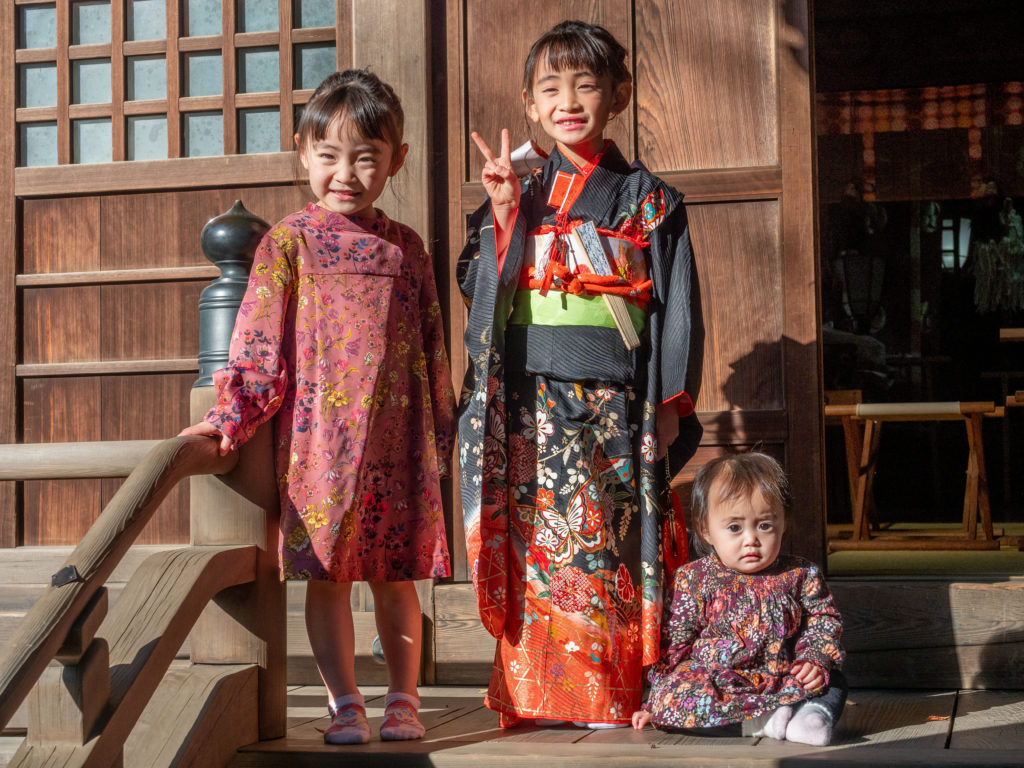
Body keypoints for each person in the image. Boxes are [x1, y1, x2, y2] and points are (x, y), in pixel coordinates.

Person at [179, 69, 456, 745]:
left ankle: (403, 698)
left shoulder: (408, 249)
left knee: (395, 576)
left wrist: (442, 436)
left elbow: (432, 348)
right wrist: (231, 417)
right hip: (317, 445)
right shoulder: (288, 243)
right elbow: (257, 347)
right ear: (304, 153)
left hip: (396, 441)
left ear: (397, 159)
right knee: (327, 577)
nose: (347, 173)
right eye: (329, 156)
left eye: (367, 157)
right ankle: (345, 702)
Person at [457, 20, 702, 728]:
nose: (568, 100)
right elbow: (482, 292)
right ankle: (534, 696)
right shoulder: (517, 192)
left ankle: (613, 694)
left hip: (614, 406)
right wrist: (504, 214)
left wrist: (669, 401)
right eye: (550, 88)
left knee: (608, 548)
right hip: (529, 402)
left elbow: (677, 305)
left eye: (586, 85)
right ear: (530, 105)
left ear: (618, 95)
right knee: (536, 549)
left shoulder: (650, 201)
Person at [632, 452, 846, 746]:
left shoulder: (800, 574)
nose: (751, 539)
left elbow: (822, 620)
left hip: (780, 677)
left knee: (831, 680)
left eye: (765, 525)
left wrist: (814, 657)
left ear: (783, 523)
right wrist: (658, 696)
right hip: (719, 683)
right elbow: (676, 641)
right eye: (735, 527)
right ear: (706, 529)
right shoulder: (694, 579)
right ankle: (764, 723)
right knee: (675, 697)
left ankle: (811, 716)